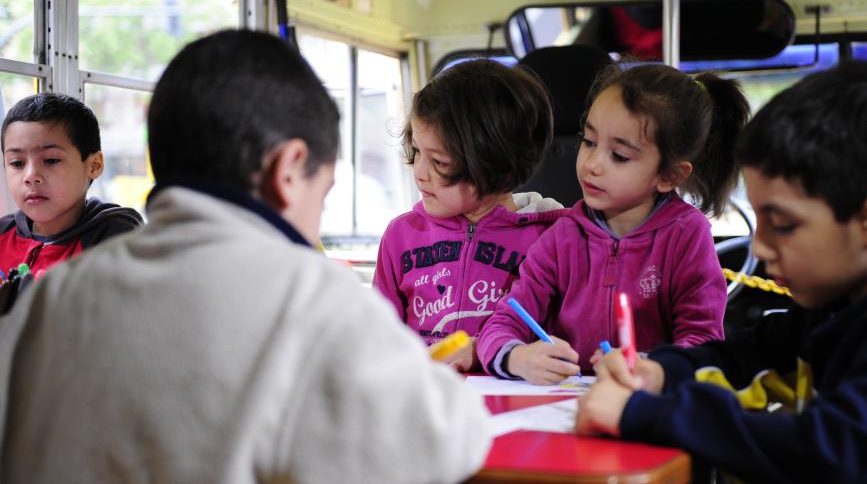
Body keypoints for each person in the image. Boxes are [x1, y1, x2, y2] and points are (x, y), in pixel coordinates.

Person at [0, 30, 490, 484]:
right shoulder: (313, 299)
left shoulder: (54, 297)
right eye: (323, 193)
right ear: (290, 169)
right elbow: (443, 443)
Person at [576, 61, 867, 483]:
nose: (759, 246)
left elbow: (836, 454)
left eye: (784, 224)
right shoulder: (840, 306)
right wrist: (661, 372)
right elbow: (748, 357)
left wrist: (648, 415)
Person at [477, 64, 749, 384]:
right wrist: (515, 356)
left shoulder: (687, 235)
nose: (592, 164)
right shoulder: (562, 235)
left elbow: (702, 342)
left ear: (670, 176)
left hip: (650, 404)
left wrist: (647, 365)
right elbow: (503, 323)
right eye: (589, 141)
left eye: (619, 155)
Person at [373, 59, 567, 371]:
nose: (419, 173)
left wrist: (485, 352)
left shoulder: (555, 238)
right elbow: (379, 338)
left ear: (499, 169)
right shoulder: (401, 236)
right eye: (417, 151)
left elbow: (563, 339)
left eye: (440, 162)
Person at [0, 93, 143, 276]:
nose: (30, 176)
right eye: (17, 163)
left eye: (51, 160)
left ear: (94, 165)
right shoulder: (3, 235)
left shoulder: (116, 242)